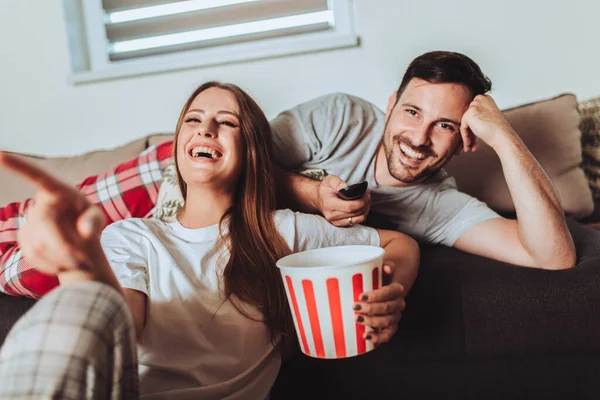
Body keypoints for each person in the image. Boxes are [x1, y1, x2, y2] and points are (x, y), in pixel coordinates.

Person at [0, 50, 575, 301]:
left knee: (35, 266)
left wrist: (505, 137)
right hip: (166, 176)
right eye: (412, 112)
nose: (419, 137)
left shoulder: (440, 207)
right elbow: (230, 149)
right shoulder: (341, 116)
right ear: (392, 101)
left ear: (464, 138)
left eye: (445, 126)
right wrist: (310, 192)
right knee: (27, 221)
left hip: (200, 237)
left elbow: (553, 256)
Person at [0, 82, 419, 399]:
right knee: (72, 313)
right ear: (180, 145)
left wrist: (386, 290)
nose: (207, 129)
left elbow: (401, 244)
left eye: (227, 122)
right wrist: (79, 262)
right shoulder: (133, 235)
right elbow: (114, 325)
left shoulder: (284, 231)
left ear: (252, 151)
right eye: (193, 120)